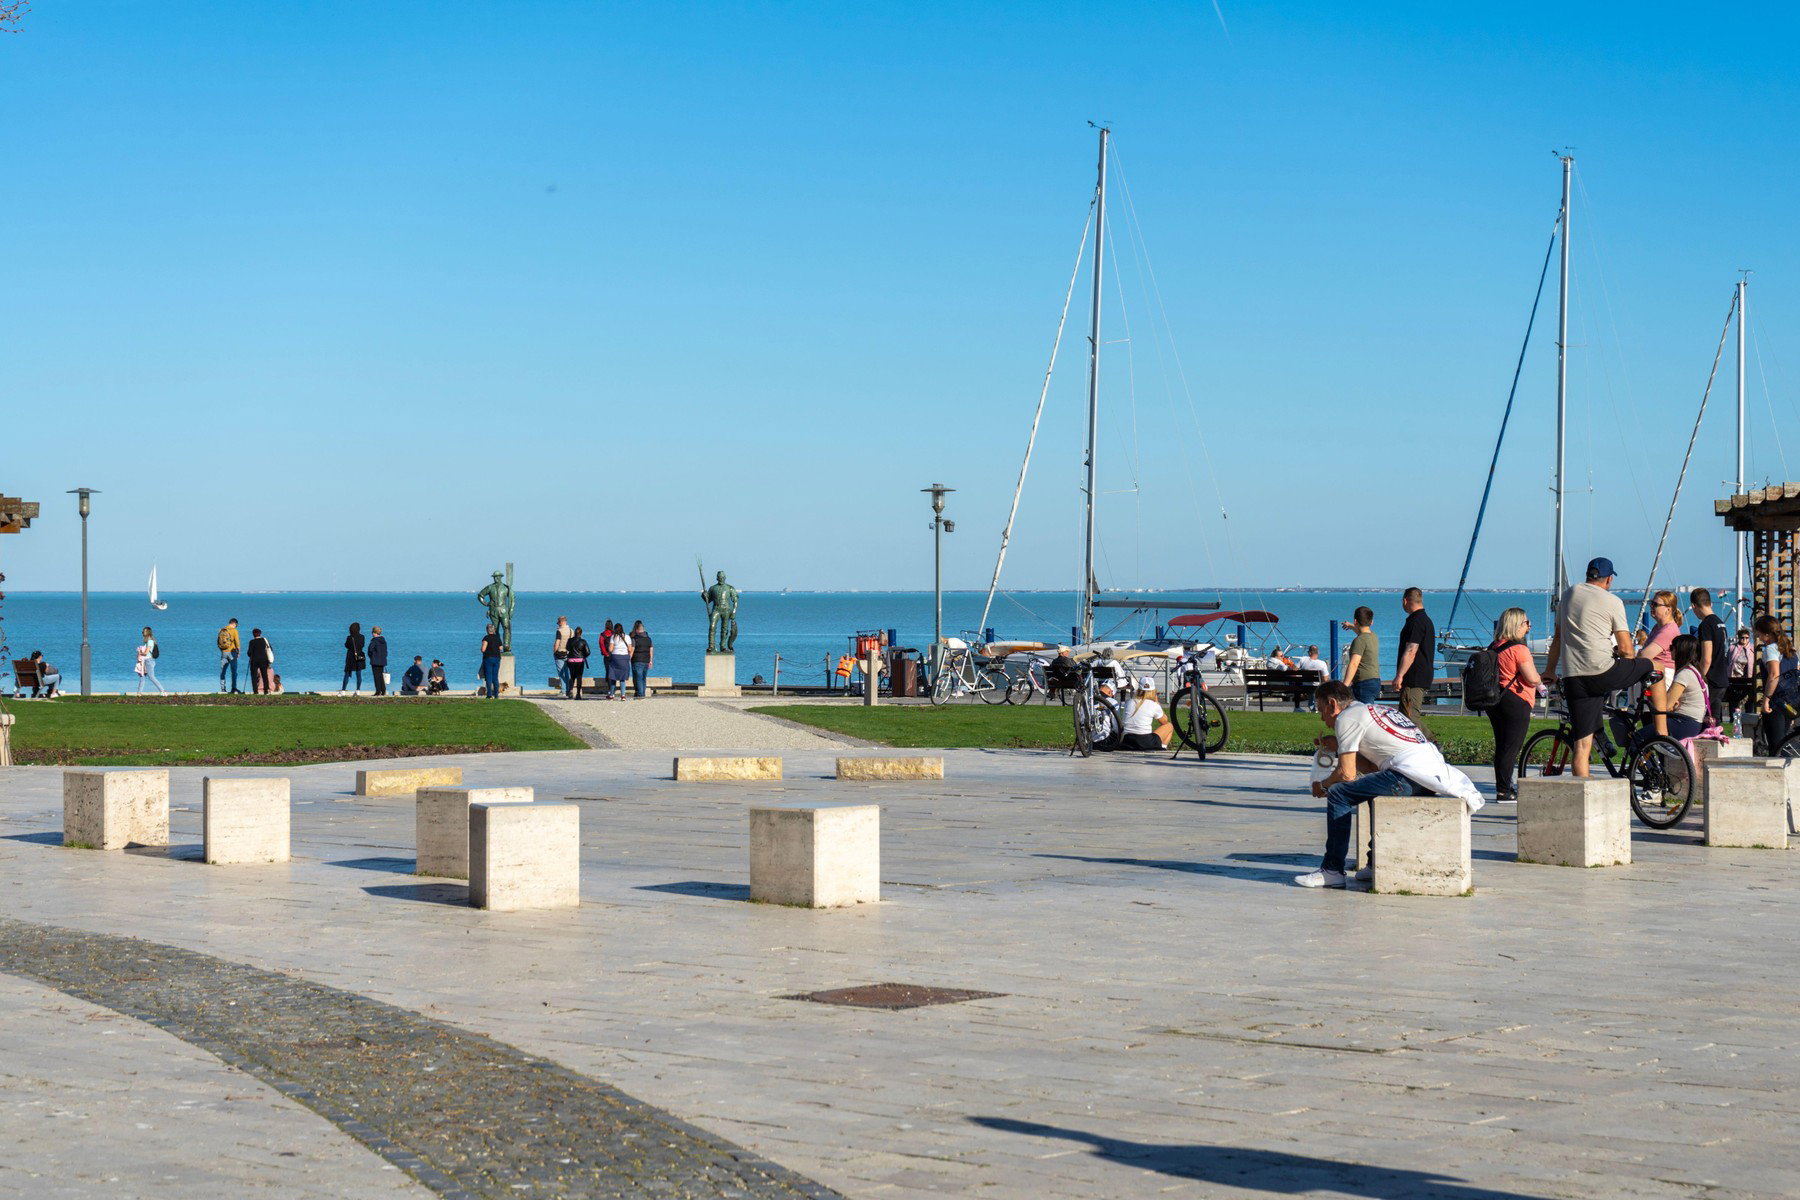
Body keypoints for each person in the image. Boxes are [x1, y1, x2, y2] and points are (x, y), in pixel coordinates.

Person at [1295, 680, 1482, 889]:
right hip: (1429, 776)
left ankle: (1332, 870)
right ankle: (1375, 863)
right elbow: (1372, 769)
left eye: (1321, 710)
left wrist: (1322, 786)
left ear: (1332, 704)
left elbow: (1346, 774)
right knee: (1370, 791)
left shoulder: (1345, 718)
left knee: (1339, 793)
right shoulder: (1370, 709)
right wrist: (1339, 746)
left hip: (1408, 774)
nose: (1322, 718)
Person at [1543, 557, 1656, 778]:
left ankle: (1583, 801)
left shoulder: (1567, 596)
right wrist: (1626, 658)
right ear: (1609, 579)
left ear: (1588, 575)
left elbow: (1558, 638)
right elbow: (1625, 649)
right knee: (1652, 664)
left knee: (1582, 747)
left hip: (1574, 676)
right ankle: (1661, 722)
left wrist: (1549, 670)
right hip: (1603, 672)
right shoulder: (1612, 601)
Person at [1484, 607, 1541, 804]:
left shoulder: (1495, 646)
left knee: (1502, 746)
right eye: (1527, 622)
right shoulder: (1520, 649)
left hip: (1495, 700)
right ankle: (1504, 791)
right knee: (1511, 747)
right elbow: (1532, 679)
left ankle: (1504, 787)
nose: (1529, 626)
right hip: (1516, 701)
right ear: (1517, 625)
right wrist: (1544, 678)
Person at [1637, 590, 1680, 736]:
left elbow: (1645, 654)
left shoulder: (1668, 630)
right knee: (1648, 722)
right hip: (1653, 677)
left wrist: (1639, 655)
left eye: (1655, 604)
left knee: (1655, 727)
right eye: (1651, 603)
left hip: (1661, 680)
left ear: (1668, 609)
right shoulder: (1657, 628)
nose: (1652, 607)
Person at [1392, 587, 1436, 732]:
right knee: (1405, 716)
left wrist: (1400, 675)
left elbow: (1411, 650)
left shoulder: (1416, 621)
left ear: (1405, 601)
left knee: (1410, 716)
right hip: (1420, 675)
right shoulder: (1425, 620)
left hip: (1414, 676)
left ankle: (1432, 743)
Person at [1753, 614, 1797, 752]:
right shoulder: (1790, 649)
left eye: (1758, 633)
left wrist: (1766, 699)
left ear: (1767, 634)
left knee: (1776, 745)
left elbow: (1774, 675)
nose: (1758, 637)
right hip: (1790, 699)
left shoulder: (1771, 649)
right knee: (1784, 741)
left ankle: (1779, 773)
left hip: (1776, 701)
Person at [1661, 634, 1710, 743]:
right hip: (1696, 723)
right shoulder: (1697, 672)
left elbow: (1666, 705)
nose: (1670, 651)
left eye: (1671, 648)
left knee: (1639, 737)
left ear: (1680, 650)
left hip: (1684, 723)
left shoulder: (1684, 674)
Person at [1690, 588, 1729, 725]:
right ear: (1710, 603)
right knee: (1715, 720)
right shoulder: (1720, 623)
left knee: (1706, 721)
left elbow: (1706, 658)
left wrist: (1698, 678)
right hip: (1722, 677)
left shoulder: (1706, 625)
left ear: (1694, 606)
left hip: (1711, 680)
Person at [1118, 676, 1174, 750]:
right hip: (1144, 741)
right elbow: (1165, 721)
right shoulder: (1153, 705)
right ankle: (1162, 748)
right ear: (1153, 691)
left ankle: (1159, 746)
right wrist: (1157, 703)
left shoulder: (1129, 702)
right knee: (1169, 726)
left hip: (1127, 740)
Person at [1343, 607, 1380, 704]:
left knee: (1364, 715)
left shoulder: (1359, 640)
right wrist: (1351, 626)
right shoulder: (1373, 636)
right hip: (1375, 681)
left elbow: (1354, 664)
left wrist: (1344, 686)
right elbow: (1362, 632)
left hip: (1364, 683)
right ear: (1371, 622)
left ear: (1355, 621)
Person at [1725, 628, 1756, 724]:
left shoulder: (1753, 648)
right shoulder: (1732, 648)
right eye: (1742, 637)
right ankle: (1732, 719)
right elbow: (1728, 661)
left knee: (1749, 700)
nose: (1744, 640)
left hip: (1748, 678)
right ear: (1738, 638)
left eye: (1747, 638)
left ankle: (1749, 718)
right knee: (1733, 700)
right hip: (1734, 678)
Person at [1292, 644, 1331, 711]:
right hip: (1316, 686)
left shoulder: (1303, 660)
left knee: (1308, 688)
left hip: (1303, 685)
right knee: (1325, 685)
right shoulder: (1322, 663)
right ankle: (1313, 706)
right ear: (1318, 653)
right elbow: (1325, 679)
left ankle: (1298, 707)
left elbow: (1293, 669)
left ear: (1309, 653)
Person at [605, 618, 631, 701]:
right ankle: (623, 695)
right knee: (622, 678)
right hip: (624, 657)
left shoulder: (613, 637)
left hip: (615, 657)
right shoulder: (627, 637)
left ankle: (612, 695)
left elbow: (610, 649)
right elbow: (630, 649)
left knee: (613, 677)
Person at [137, 626, 166, 694]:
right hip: (145, 661)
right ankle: (139, 693)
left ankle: (163, 691)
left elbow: (146, 653)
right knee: (142, 676)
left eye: (143, 632)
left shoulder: (150, 641)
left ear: (147, 632)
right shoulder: (147, 642)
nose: (142, 633)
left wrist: (140, 652)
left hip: (149, 661)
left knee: (151, 677)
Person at [217, 618, 242, 693]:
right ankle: (233, 688)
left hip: (224, 653)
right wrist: (238, 652)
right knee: (234, 671)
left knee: (222, 671)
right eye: (236, 625)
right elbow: (237, 642)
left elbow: (219, 642)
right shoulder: (234, 631)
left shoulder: (222, 630)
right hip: (232, 652)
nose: (236, 626)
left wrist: (222, 651)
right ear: (234, 623)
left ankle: (223, 689)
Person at [629, 620, 654, 698]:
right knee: (643, 678)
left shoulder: (635, 639)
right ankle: (642, 693)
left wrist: (629, 659)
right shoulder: (649, 639)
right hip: (646, 661)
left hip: (637, 660)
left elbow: (632, 650)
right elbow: (651, 650)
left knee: (638, 678)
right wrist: (650, 661)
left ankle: (640, 694)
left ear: (637, 630)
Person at [247, 628, 275, 694]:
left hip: (254, 660)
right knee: (264, 675)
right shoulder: (264, 640)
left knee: (254, 676)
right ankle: (266, 690)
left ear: (253, 634)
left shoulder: (252, 642)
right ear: (260, 633)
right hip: (264, 660)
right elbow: (270, 649)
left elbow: (249, 653)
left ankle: (255, 691)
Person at [564, 626, 590, 699]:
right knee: (579, 677)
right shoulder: (583, 641)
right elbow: (588, 652)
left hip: (571, 660)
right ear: (581, 633)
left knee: (572, 676)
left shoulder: (570, 640)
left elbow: (567, 648)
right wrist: (583, 655)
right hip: (580, 661)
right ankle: (578, 694)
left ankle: (571, 691)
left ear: (574, 633)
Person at [342, 622, 367, 694]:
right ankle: (358, 690)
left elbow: (346, 646)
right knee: (358, 674)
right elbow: (362, 645)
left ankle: (343, 690)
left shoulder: (349, 638)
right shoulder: (362, 637)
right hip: (359, 656)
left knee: (347, 673)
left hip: (350, 657)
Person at [480, 623, 503, 698]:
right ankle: (496, 695)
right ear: (494, 630)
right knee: (495, 677)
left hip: (488, 658)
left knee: (488, 677)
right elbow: (500, 648)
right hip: (497, 658)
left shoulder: (486, 638)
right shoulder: (498, 638)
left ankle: (489, 694)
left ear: (487, 630)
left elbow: (483, 649)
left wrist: (481, 649)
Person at [367, 625, 389, 696]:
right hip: (382, 660)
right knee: (380, 676)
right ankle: (383, 690)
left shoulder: (374, 640)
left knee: (376, 676)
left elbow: (370, 649)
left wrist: (371, 656)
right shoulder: (383, 640)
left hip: (375, 660)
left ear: (374, 633)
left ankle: (378, 691)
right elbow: (385, 651)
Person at [553, 616, 572, 694]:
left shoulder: (559, 631)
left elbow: (557, 642)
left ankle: (564, 690)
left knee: (561, 673)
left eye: (558, 623)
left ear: (561, 622)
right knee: (566, 672)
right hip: (568, 653)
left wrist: (554, 652)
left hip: (559, 653)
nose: (558, 625)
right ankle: (568, 689)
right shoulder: (571, 631)